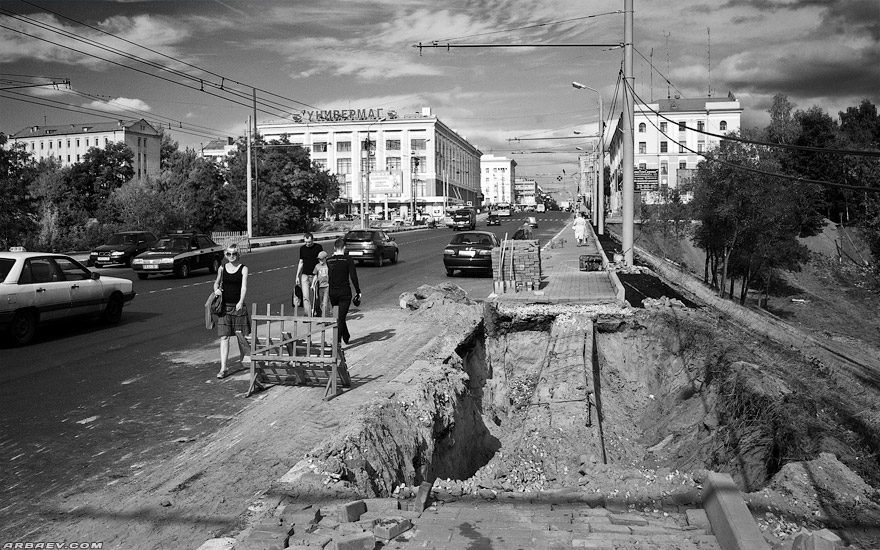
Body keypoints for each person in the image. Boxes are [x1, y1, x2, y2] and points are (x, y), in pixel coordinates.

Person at [213, 244, 251, 379]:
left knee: (242, 337)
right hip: (224, 307)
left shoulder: (243, 268)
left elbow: (244, 287)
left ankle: (245, 362)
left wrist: (241, 301)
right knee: (224, 337)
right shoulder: (222, 268)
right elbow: (216, 283)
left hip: (238, 306)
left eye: (234, 254)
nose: (231, 256)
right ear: (225, 254)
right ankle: (223, 368)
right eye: (228, 254)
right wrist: (216, 290)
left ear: (238, 254)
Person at [326, 237, 361, 345]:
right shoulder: (348, 260)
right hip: (345, 292)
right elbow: (353, 277)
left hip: (332, 293)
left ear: (334, 248)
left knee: (340, 316)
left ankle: (345, 335)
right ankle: (337, 343)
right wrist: (358, 291)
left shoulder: (329, 260)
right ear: (344, 248)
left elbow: (328, 276)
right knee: (340, 317)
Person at [294, 232, 324, 317]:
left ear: (313, 240)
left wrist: (320, 274)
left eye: (309, 242)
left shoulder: (318, 247)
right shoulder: (302, 249)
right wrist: (297, 276)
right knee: (305, 297)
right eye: (306, 242)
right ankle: (307, 315)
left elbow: (321, 261)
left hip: (315, 275)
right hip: (305, 275)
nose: (307, 244)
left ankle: (318, 312)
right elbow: (301, 262)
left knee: (316, 296)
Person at [311, 250, 331, 317]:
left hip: (327, 286)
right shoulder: (317, 266)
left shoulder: (328, 266)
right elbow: (315, 276)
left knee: (325, 302)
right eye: (319, 259)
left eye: (322, 259)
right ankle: (325, 316)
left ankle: (325, 318)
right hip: (320, 287)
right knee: (321, 303)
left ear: (326, 258)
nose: (320, 261)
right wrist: (312, 285)